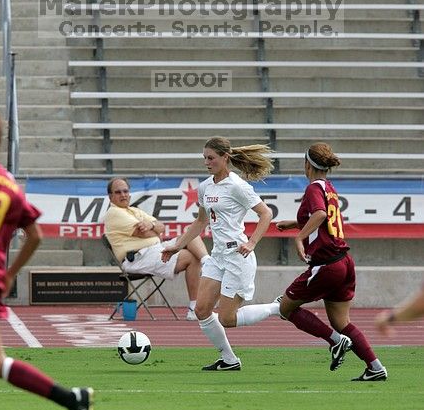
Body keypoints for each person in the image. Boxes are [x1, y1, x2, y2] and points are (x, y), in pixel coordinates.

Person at [0, 112, 94, 410]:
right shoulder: (7, 182)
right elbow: (35, 235)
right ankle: (72, 400)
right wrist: (10, 274)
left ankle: (71, 399)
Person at [162, 136, 280, 371]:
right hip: (218, 257)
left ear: (225, 157)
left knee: (228, 318)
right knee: (201, 310)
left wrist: (253, 242)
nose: (207, 162)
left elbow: (266, 214)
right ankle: (229, 359)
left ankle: (278, 307)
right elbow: (200, 222)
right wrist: (177, 245)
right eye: (204, 158)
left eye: (211, 158)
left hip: (238, 255)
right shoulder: (205, 186)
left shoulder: (237, 186)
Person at [275, 142, 388, 382]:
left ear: (307, 164)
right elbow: (325, 220)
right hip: (344, 262)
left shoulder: (313, 188)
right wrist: (294, 223)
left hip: (327, 265)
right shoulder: (329, 188)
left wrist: (299, 235)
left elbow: (320, 215)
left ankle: (336, 342)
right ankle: (375, 367)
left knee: (285, 308)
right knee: (341, 322)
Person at [104, 177, 209, 320]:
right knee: (190, 257)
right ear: (111, 196)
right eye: (118, 192)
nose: (123, 195)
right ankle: (193, 308)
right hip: (136, 258)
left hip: (154, 249)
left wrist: (152, 226)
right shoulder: (113, 213)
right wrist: (153, 229)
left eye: (125, 191)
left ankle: (207, 263)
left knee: (191, 232)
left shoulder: (134, 211)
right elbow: (143, 232)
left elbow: (161, 227)